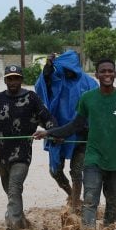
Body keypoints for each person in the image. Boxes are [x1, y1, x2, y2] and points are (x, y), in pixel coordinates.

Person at [34, 58, 116, 229]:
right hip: (93, 158)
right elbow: (74, 126)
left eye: (110, 71)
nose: (107, 74)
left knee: (112, 203)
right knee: (90, 200)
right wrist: (49, 133)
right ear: (97, 75)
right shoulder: (87, 98)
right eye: (103, 71)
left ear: (115, 73)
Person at [0, 65, 56, 230]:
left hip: (22, 155)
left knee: (14, 187)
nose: (13, 81)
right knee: (11, 191)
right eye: (9, 78)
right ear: (5, 80)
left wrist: (51, 133)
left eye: (16, 78)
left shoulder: (32, 98)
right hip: (2, 156)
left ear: (21, 80)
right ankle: (21, 220)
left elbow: (48, 119)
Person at [34, 50, 98, 211]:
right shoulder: (57, 80)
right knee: (55, 171)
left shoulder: (90, 83)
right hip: (57, 133)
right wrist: (47, 71)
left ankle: (76, 204)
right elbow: (40, 88)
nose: (68, 72)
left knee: (76, 172)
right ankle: (70, 193)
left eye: (71, 69)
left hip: (81, 135)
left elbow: (96, 110)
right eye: (65, 68)